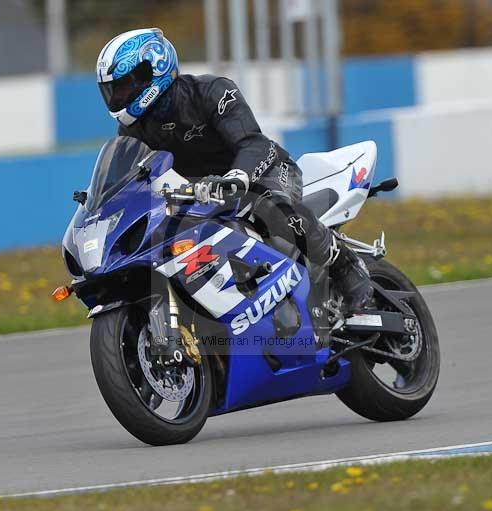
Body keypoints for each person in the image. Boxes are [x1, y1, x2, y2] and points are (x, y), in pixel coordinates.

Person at [96, 28, 372, 312]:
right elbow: (130, 178)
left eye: (125, 86)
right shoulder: (132, 129)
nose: (119, 96)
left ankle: (344, 267)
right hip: (202, 196)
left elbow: (253, 143)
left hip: (263, 171)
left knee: (271, 207)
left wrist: (238, 177)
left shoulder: (212, 92)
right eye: (113, 91)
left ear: (155, 68)